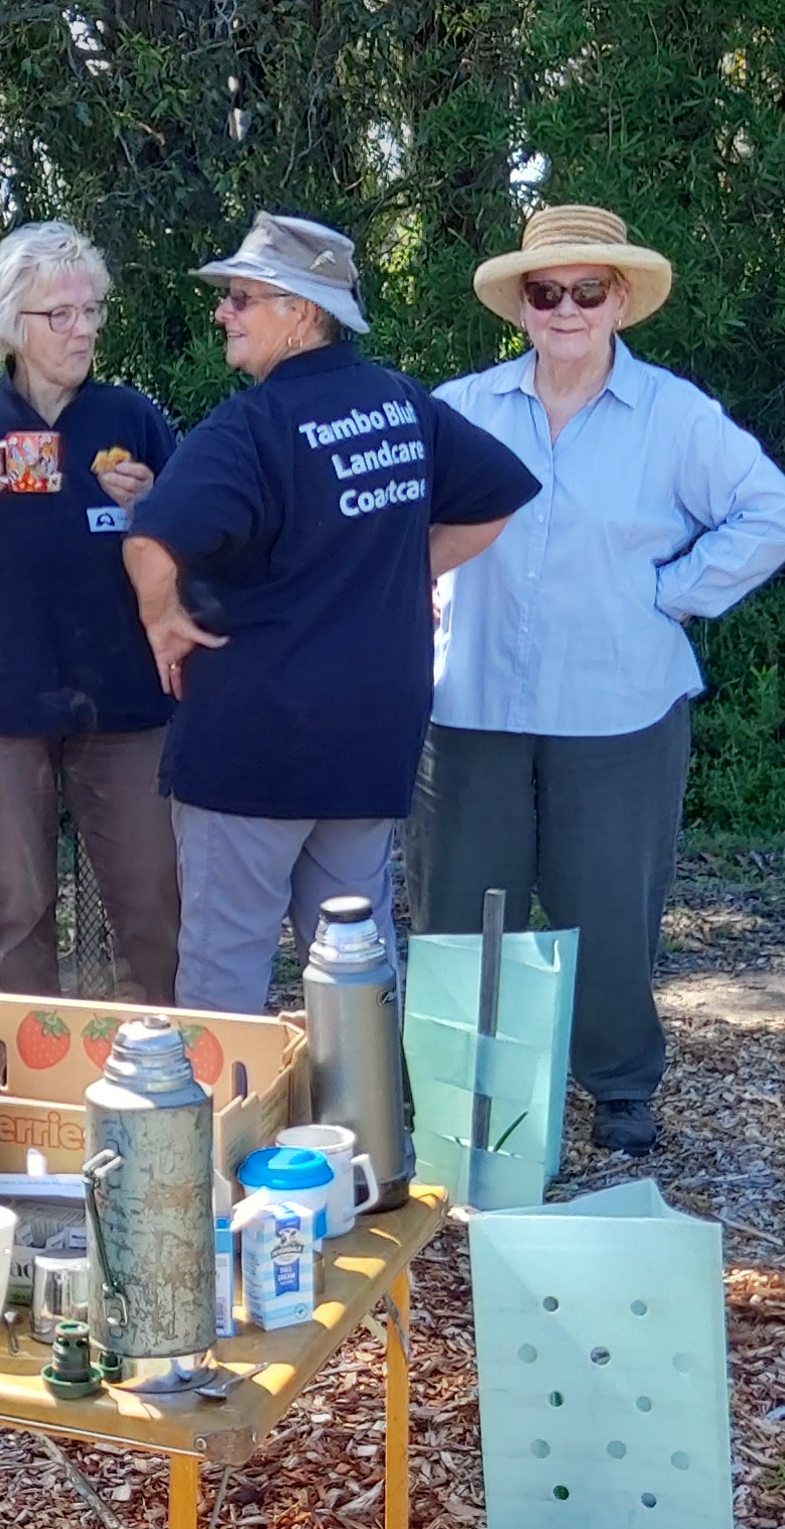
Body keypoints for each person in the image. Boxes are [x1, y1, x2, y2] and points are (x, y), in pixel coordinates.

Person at [423, 205, 785, 1164]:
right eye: (546, 291)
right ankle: (463, 1091)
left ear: (621, 301)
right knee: (459, 906)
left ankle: (623, 1087)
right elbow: (394, 524)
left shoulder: (675, 416)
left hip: (619, 704)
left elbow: (773, 515)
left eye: (586, 291)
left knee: (610, 909)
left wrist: (669, 594)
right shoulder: (459, 407)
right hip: (469, 703)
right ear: (520, 305)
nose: (566, 308)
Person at [121, 213, 538, 1016]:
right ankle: (369, 1134)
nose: (224, 313)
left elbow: (150, 540)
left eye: (244, 298)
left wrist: (162, 622)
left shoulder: (251, 427)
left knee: (224, 971)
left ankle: (216, 1139)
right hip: (369, 740)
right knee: (355, 962)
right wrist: (401, 566)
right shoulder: (399, 405)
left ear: (303, 312)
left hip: (251, 747)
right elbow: (500, 498)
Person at [0, 222, 183, 1000]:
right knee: (18, 911)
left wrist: (156, 504)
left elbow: (201, 551)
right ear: (14, 323)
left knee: (152, 906)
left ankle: (155, 1080)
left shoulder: (131, 419)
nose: (82, 329)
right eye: (61, 314)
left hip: (125, 708)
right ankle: (37, 1083)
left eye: (91, 311)